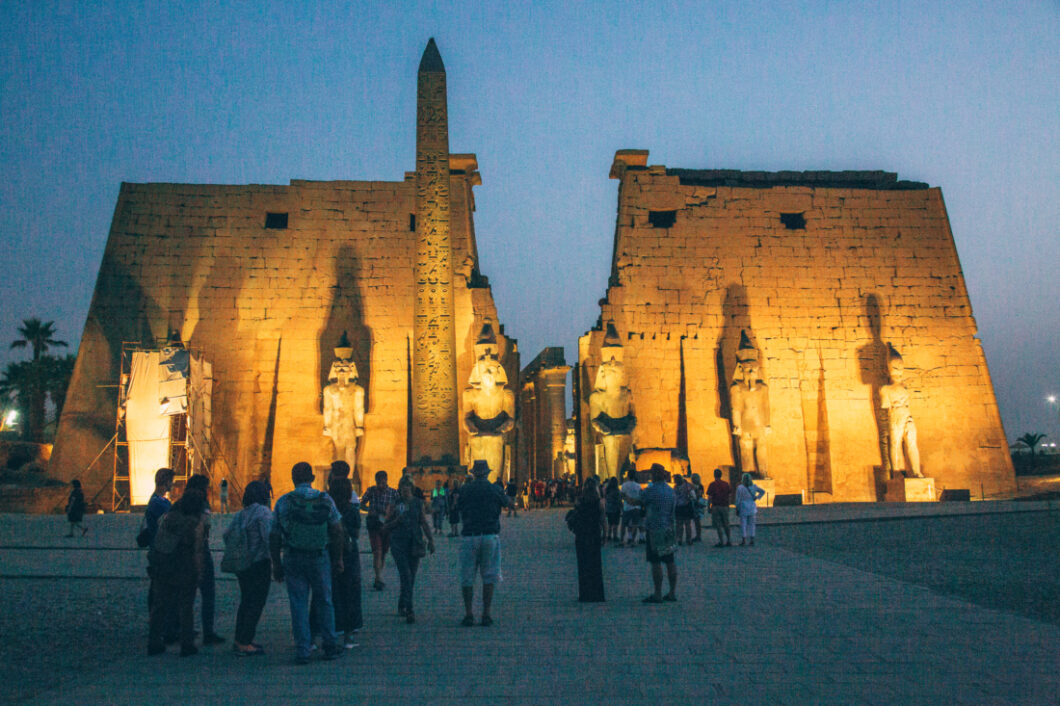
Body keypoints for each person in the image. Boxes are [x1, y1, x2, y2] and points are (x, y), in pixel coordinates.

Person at [269, 462, 345, 664]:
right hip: (319, 556)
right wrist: (338, 558)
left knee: (298, 603)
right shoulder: (325, 499)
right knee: (325, 601)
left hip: (293, 556)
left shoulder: (284, 501)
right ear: (311, 478)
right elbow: (337, 530)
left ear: (293, 478)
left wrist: (276, 563)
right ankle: (329, 645)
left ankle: (303, 650)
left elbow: (274, 535)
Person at [147, 487, 207, 656]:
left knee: (159, 605)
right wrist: (200, 571)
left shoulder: (168, 518)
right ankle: (186, 644)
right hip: (185, 567)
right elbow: (197, 550)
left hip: (163, 565)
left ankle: (154, 641)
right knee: (186, 606)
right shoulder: (194, 523)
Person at [457, 460, 511, 626]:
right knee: (489, 575)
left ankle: (468, 613)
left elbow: (457, 506)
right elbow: (507, 503)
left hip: (469, 535)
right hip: (489, 535)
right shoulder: (494, 489)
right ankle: (486, 614)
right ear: (487, 473)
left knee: (467, 576)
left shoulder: (465, 489)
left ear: (473, 473)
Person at [225, 481, 272, 656]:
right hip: (259, 563)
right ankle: (245, 642)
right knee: (256, 603)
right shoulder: (263, 513)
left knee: (246, 601)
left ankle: (240, 639)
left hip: (243, 564)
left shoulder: (240, 514)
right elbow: (268, 538)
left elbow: (226, 534)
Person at [383, 477, 435, 623]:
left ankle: (402, 603)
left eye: (408, 485)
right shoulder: (394, 505)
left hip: (414, 543)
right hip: (398, 544)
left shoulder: (418, 503)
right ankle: (410, 609)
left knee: (410, 577)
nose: (405, 488)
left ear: (412, 488)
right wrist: (396, 521)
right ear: (399, 488)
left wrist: (431, 540)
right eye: (403, 486)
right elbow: (385, 526)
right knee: (406, 575)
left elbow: (423, 522)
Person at [185, 474, 225, 646]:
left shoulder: (180, 503)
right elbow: (203, 528)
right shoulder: (202, 503)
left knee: (186, 595)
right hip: (200, 551)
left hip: (183, 552)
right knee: (208, 593)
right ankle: (207, 632)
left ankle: (185, 633)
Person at [631, 464, 677, 604]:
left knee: (656, 561)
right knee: (670, 561)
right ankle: (672, 592)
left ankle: (658, 593)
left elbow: (639, 500)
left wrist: (626, 497)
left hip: (655, 529)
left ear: (653, 474)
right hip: (668, 528)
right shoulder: (670, 491)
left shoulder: (651, 490)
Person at [329, 475, 363, 646]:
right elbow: (356, 534)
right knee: (350, 591)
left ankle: (332, 627)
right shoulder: (352, 510)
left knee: (332, 591)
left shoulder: (327, 507)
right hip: (349, 553)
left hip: (329, 552)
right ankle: (349, 634)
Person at [361, 470, 400, 590]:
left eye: (382, 482)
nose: (380, 486)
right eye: (378, 483)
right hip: (374, 524)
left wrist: (391, 514)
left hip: (387, 525)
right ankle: (378, 577)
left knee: (383, 552)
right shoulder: (371, 491)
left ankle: (379, 574)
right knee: (377, 551)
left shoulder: (393, 493)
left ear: (386, 480)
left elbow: (399, 508)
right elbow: (362, 504)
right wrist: (369, 510)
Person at [571, 478, 605, 602]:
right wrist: (605, 535)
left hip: (582, 535)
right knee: (596, 565)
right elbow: (602, 520)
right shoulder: (598, 502)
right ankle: (597, 594)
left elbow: (576, 515)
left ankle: (585, 594)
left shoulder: (580, 501)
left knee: (583, 566)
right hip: (594, 534)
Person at [734, 473, 766, 546]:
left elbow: (738, 499)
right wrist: (757, 498)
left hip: (743, 507)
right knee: (752, 524)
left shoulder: (740, 487)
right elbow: (762, 492)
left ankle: (744, 539)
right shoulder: (754, 487)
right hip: (752, 507)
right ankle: (752, 539)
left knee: (743, 524)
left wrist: (737, 508)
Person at [706, 468, 733, 547]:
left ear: (714, 475)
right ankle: (728, 540)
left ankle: (721, 541)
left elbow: (710, 497)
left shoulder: (712, 485)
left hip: (716, 506)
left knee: (718, 525)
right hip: (724, 506)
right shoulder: (726, 484)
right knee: (726, 524)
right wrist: (728, 505)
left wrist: (708, 506)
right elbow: (729, 495)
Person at [619, 467, 642, 547]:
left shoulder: (624, 485)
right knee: (635, 524)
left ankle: (622, 540)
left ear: (628, 476)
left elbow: (622, 495)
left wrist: (627, 500)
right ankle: (632, 540)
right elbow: (640, 496)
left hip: (627, 507)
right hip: (636, 507)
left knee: (624, 524)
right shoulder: (638, 485)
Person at [673, 474, 694, 546]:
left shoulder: (676, 487)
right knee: (686, 524)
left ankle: (680, 539)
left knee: (680, 524)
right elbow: (693, 496)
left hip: (681, 506)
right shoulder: (688, 485)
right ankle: (688, 539)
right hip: (685, 506)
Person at [602, 477, 622, 543]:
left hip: (609, 508)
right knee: (615, 523)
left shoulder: (607, 490)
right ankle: (615, 536)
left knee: (610, 523)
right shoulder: (617, 491)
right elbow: (619, 500)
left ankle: (609, 535)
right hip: (616, 508)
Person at [690, 473, 705, 543]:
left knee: (697, 521)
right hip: (697, 503)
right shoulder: (699, 486)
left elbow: (699, 494)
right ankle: (698, 535)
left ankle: (698, 536)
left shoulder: (698, 486)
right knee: (696, 521)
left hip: (697, 503)